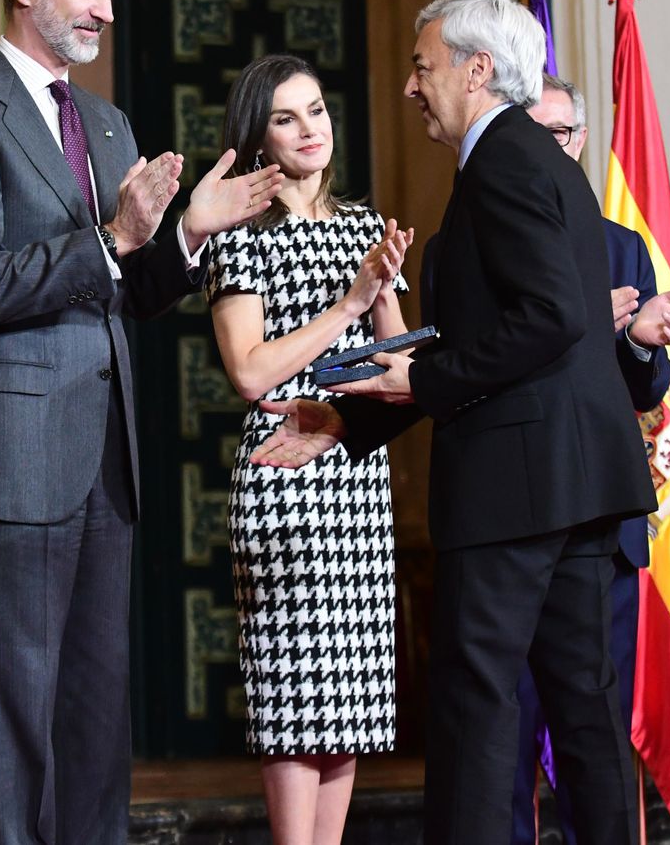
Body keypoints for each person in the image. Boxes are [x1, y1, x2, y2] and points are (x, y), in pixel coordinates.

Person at [0, 0, 283, 845]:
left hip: (103, 459)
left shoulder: (107, 123)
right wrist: (113, 235)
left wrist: (190, 229)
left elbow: (129, 289)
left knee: (95, 712)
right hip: (9, 458)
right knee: (16, 712)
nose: (107, 10)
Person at [251, 0, 655, 845]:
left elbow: (548, 321)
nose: (409, 86)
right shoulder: (540, 161)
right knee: (583, 707)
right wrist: (346, 423)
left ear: (478, 70)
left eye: (423, 65)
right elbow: (500, 345)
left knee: (476, 704)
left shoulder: (504, 159)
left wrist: (421, 381)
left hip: (517, 493)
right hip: (575, 484)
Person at [205, 54, 413, 844]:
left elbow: (400, 371)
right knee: (297, 704)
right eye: (287, 118)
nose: (309, 130)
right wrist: (350, 302)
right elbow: (250, 370)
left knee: (348, 704)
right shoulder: (240, 234)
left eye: (317, 111)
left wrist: (387, 293)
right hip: (284, 477)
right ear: (259, 138)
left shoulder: (363, 227)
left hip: (356, 476)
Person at [511, 74, 670, 843]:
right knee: (507, 733)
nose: (550, 148)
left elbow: (647, 391)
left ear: (580, 141)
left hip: (604, 533)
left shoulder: (623, 246)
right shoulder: (502, 234)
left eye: (560, 135)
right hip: (517, 516)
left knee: (596, 732)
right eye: (535, 134)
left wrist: (635, 340)